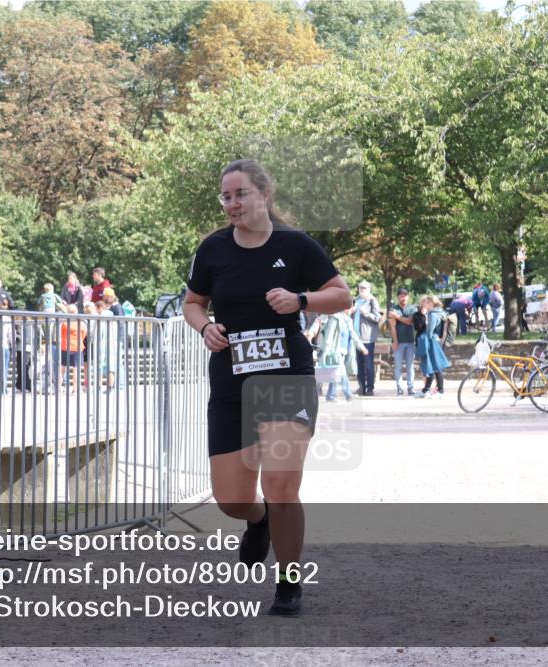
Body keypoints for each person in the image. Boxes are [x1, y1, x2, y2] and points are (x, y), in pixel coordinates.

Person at [182, 158, 351, 616]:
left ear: (265, 194)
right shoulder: (213, 249)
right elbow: (193, 303)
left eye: (241, 194)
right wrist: (204, 328)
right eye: (226, 196)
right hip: (231, 382)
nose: (233, 203)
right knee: (232, 500)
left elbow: (342, 295)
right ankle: (258, 521)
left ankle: (289, 582)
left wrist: (301, 299)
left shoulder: (295, 245)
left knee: (280, 485)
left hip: (286, 377)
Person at [306, 307, 365, 402]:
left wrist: (361, 347)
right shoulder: (333, 318)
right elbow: (327, 334)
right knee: (339, 372)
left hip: (341, 351)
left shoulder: (347, 320)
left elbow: (352, 334)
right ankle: (347, 395)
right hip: (332, 350)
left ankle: (331, 395)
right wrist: (325, 349)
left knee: (334, 373)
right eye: (349, 308)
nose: (352, 310)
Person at [414, 295, 451, 398]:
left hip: (432, 342)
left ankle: (440, 391)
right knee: (432, 366)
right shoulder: (440, 312)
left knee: (435, 366)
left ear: (430, 303)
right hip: (436, 341)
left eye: (425, 302)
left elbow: (429, 331)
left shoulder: (432, 314)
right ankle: (426, 390)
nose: (423, 304)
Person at [352, 281, 381, 396]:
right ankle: (361, 387)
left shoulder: (372, 301)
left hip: (367, 338)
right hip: (356, 338)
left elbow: (377, 318)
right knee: (359, 364)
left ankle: (370, 388)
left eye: (364, 288)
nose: (362, 290)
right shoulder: (356, 300)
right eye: (360, 288)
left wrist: (365, 313)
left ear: (369, 289)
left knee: (368, 364)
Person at [387, 288, 418, 396]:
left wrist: (397, 317)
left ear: (408, 297)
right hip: (398, 342)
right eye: (401, 295)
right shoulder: (393, 308)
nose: (403, 297)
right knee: (398, 366)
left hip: (410, 341)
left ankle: (411, 387)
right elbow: (392, 326)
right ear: (398, 297)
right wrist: (395, 342)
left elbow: (410, 321)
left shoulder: (412, 308)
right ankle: (399, 388)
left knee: (410, 366)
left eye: (405, 295)